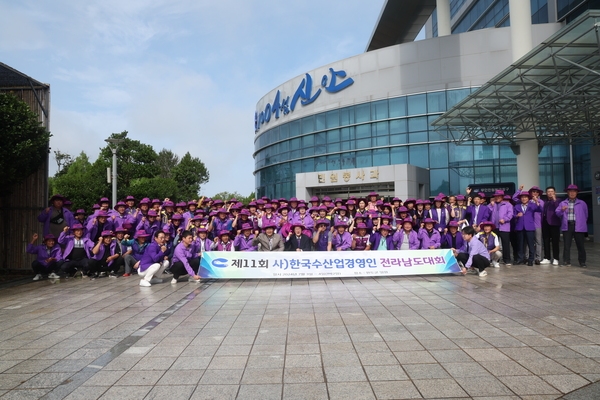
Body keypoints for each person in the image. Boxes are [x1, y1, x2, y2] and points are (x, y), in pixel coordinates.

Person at [555, 184, 588, 268]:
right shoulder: (563, 203)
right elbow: (557, 213)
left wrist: (581, 223)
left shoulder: (582, 203)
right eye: (570, 191)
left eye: (574, 191)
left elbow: (586, 215)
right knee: (566, 245)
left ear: (577, 193)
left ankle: (582, 262)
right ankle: (566, 261)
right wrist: (562, 210)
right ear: (567, 193)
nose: (572, 193)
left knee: (580, 245)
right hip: (567, 226)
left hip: (579, 226)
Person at [513, 191, 541, 266]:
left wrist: (536, 201)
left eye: (525, 197)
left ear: (528, 198)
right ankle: (520, 259)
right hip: (520, 227)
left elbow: (540, 209)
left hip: (529, 227)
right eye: (522, 197)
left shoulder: (532, 205)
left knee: (531, 244)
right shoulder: (517, 206)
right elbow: (513, 215)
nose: (524, 198)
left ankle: (531, 259)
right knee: (520, 244)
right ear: (520, 198)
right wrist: (517, 215)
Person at [489, 190, 513, 265]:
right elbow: (488, 211)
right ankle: (494, 259)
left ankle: (507, 260)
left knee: (505, 244)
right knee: (493, 244)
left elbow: (510, 214)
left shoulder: (508, 204)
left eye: (499, 196)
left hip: (504, 227)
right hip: (494, 227)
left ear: (502, 197)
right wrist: (491, 205)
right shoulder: (493, 204)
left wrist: (505, 219)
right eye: (496, 196)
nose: (497, 198)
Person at [541, 186, 561, 265]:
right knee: (546, 241)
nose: (550, 193)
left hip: (554, 223)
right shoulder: (545, 201)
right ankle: (547, 257)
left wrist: (554, 199)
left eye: (552, 191)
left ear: (554, 192)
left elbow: (558, 208)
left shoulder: (558, 200)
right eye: (548, 191)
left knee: (555, 242)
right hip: (545, 223)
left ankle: (556, 258)